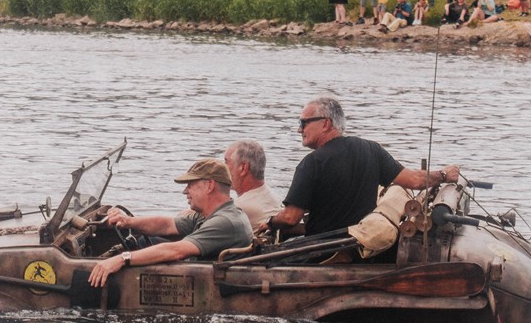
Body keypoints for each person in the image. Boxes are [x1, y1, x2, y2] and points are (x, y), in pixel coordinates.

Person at [265, 97, 459, 237]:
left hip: (323, 251)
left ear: (325, 124)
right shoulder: (371, 149)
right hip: (360, 246)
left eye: (303, 123)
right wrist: (443, 174)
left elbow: (290, 218)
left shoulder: (312, 163)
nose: (299, 129)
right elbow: (415, 181)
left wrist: (270, 223)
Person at [88, 159, 254, 287]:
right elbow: (167, 225)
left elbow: (176, 251)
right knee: (148, 241)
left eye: (191, 184)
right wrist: (128, 221)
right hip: (206, 277)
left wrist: (121, 259)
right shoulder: (212, 214)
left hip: (212, 286)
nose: (185, 191)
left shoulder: (224, 222)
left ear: (210, 185)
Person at [223, 140, 282, 230]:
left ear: (243, 168)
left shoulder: (238, 208)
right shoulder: (272, 197)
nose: (222, 167)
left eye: (226, 162)